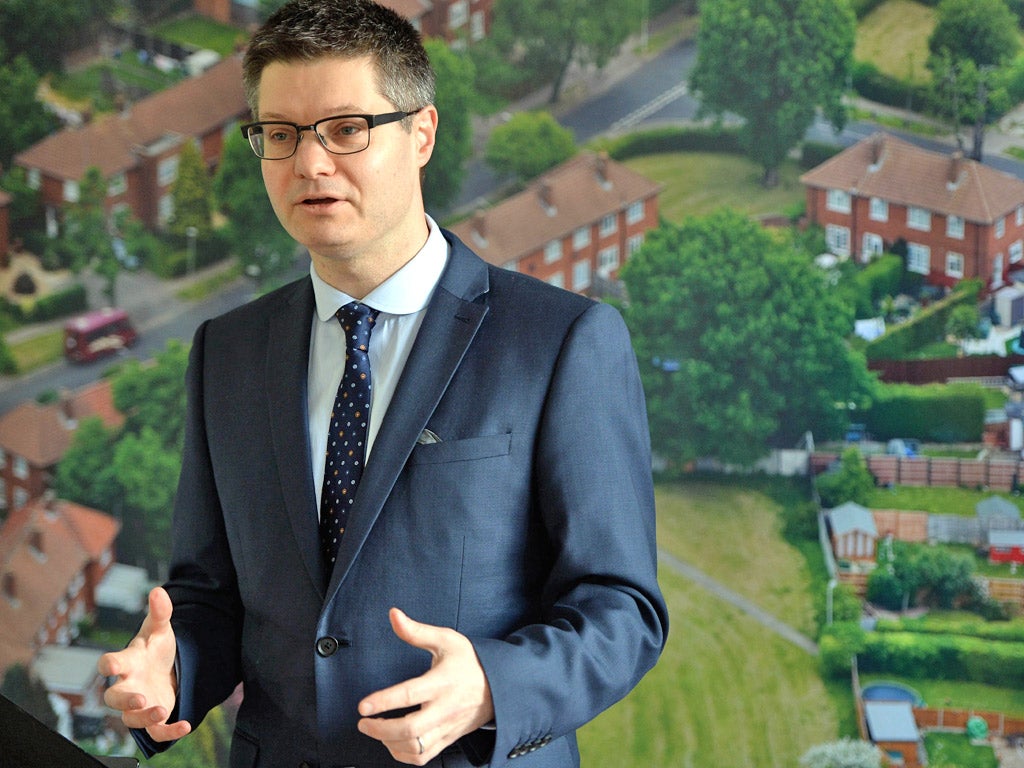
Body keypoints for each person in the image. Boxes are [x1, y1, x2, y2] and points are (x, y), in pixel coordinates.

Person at [98, 1, 668, 766]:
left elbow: (621, 609)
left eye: (345, 128)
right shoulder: (226, 351)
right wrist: (173, 672)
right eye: (280, 134)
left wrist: (492, 688)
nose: (310, 164)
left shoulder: (562, 341)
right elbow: (211, 596)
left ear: (421, 133)